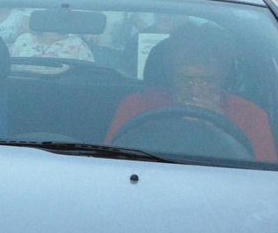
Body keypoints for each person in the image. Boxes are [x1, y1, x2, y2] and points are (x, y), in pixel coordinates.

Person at [106, 33, 276, 161]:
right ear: (170, 75)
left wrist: (219, 130)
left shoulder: (251, 115)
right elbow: (111, 162)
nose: (195, 90)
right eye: (187, 79)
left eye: (207, 81)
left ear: (224, 78)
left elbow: (262, 177)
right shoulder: (137, 105)